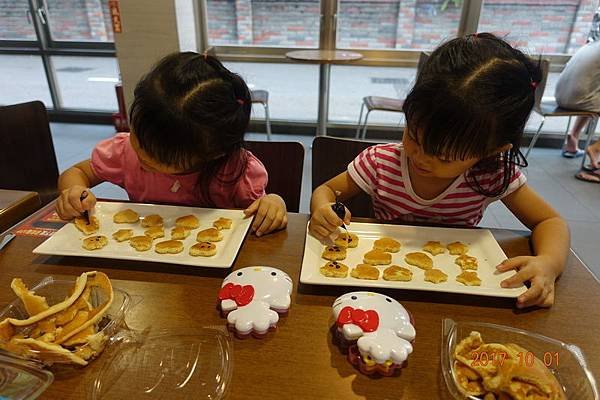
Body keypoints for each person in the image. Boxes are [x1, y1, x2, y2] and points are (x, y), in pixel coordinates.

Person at [309, 33, 569, 309]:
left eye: (443, 157)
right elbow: (327, 191)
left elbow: (551, 222)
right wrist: (323, 207)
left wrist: (549, 263)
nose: (420, 157)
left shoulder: (489, 174)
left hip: (457, 295)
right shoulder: (381, 162)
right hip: (381, 292)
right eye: (413, 137)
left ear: (492, 151)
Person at [56, 52, 287, 236]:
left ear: (212, 153)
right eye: (138, 137)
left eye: (159, 158)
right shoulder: (125, 151)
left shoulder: (237, 171)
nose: (141, 155)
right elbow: (77, 172)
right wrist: (74, 193)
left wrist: (273, 203)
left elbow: (260, 211)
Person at [554, 41, 600, 162]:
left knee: (593, 94)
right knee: (592, 96)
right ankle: (597, 149)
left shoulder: (591, 45)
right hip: (580, 99)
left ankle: (573, 136)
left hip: (560, 96)